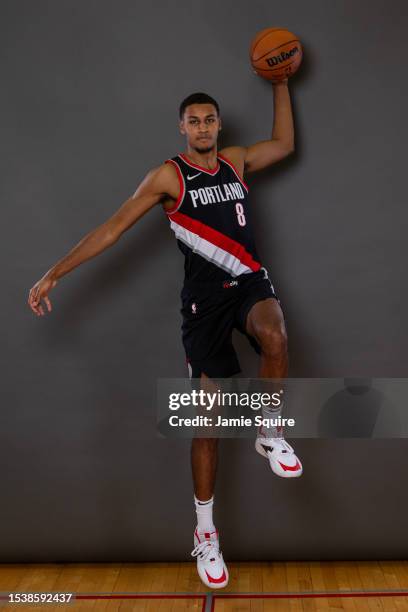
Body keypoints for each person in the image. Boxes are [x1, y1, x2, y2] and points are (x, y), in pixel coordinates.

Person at [28, 83, 302, 589]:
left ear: (219, 125)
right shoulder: (168, 177)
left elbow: (284, 145)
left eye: (210, 119)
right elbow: (111, 230)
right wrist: (55, 272)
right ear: (182, 127)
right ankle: (205, 533)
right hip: (204, 306)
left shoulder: (236, 162)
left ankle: (270, 429)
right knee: (208, 422)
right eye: (194, 120)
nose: (202, 127)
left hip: (247, 281)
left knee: (277, 334)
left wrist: (281, 83)